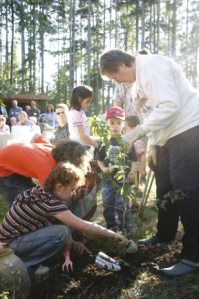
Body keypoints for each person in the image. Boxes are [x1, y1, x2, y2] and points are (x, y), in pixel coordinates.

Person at [99, 48, 199, 277]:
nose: (118, 82)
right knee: (164, 187)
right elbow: (153, 115)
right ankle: (164, 233)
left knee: (186, 190)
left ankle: (193, 255)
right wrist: (154, 144)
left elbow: (170, 105)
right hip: (167, 137)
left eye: (115, 77)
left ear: (122, 65)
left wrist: (136, 134)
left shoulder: (152, 67)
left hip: (188, 129)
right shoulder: (138, 81)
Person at [0, 162, 129, 278]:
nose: (73, 193)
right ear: (60, 186)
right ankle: (25, 265)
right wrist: (114, 235)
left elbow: (60, 220)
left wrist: (71, 241)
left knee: (62, 233)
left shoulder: (40, 192)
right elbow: (84, 226)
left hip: (9, 239)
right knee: (60, 233)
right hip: (9, 245)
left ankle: (25, 260)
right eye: (72, 189)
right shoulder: (50, 203)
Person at [0, 137, 91, 208]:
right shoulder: (48, 169)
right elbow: (48, 196)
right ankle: (18, 225)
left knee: (30, 194)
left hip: (10, 158)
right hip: (4, 169)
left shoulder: (53, 149)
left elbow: (38, 137)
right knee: (22, 201)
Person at [95, 106, 137, 236]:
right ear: (107, 123)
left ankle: (126, 226)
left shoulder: (127, 141)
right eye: (112, 122)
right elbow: (99, 159)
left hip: (123, 180)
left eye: (119, 123)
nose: (115, 126)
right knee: (108, 202)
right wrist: (103, 168)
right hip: (108, 180)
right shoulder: (104, 142)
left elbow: (133, 159)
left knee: (122, 203)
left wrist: (132, 172)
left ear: (124, 124)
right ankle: (111, 226)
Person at [68, 85, 99, 150]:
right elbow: (81, 136)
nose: (89, 104)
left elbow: (85, 133)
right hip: (79, 149)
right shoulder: (75, 113)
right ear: (79, 99)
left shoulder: (80, 112)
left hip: (82, 147)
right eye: (87, 101)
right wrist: (97, 145)